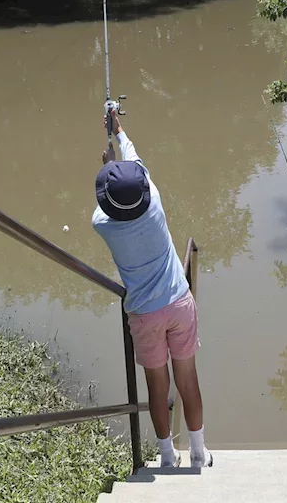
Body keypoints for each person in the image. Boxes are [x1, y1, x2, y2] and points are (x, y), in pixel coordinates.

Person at [92, 107, 210, 469]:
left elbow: (106, 198)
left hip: (144, 315)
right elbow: (137, 163)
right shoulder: (154, 203)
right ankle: (198, 453)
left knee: (157, 388)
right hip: (178, 303)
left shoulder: (102, 225)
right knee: (187, 378)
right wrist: (120, 132)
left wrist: (105, 165)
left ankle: (165, 456)